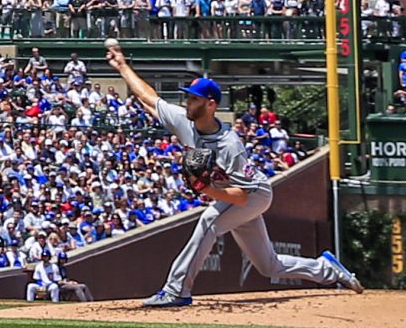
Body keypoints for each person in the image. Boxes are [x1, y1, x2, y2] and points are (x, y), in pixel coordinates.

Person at [106, 41, 360, 306]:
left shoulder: (230, 145)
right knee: (269, 265)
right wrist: (122, 66)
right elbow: (149, 97)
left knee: (208, 224)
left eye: (194, 98)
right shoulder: (185, 120)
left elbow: (241, 196)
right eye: (188, 97)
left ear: (211, 105)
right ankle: (328, 268)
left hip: (254, 194)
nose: (188, 101)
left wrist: (208, 191)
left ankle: (176, 290)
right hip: (231, 195)